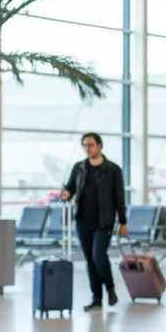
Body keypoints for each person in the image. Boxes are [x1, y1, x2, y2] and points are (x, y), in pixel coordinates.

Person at [61, 133, 128, 311]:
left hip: (104, 220)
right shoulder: (80, 168)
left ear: (99, 146)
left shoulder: (113, 169)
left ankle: (110, 288)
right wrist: (66, 193)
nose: (88, 148)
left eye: (91, 145)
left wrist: (123, 221)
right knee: (90, 260)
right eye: (85, 145)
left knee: (99, 255)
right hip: (83, 220)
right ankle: (96, 298)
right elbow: (70, 187)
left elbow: (119, 197)